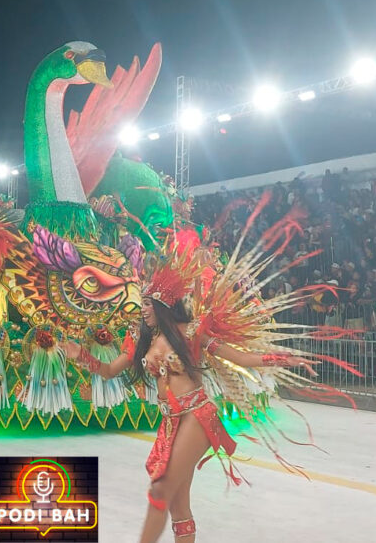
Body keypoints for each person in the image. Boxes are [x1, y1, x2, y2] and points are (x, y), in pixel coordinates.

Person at [65, 233, 322, 543]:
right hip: (169, 422)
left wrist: (284, 358)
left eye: (146, 303)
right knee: (177, 506)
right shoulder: (139, 338)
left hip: (197, 416)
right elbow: (108, 371)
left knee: (160, 491)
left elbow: (241, 358)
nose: (141, 309)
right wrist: (81, 356)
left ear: (161, 305)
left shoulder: (191, 332)